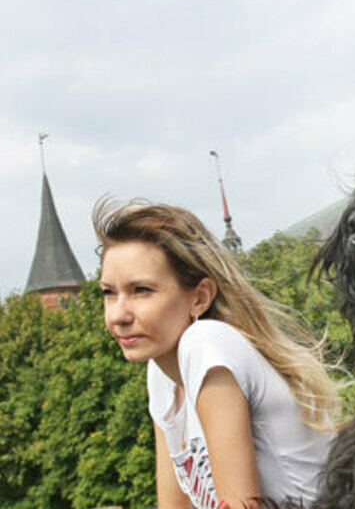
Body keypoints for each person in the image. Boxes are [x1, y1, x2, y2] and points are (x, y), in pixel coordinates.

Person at [94, 200, 338, 509]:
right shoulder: (162, 374)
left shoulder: (207, 343)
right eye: (109, 292)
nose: (118, 315)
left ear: (200, 297)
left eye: (142, 290)